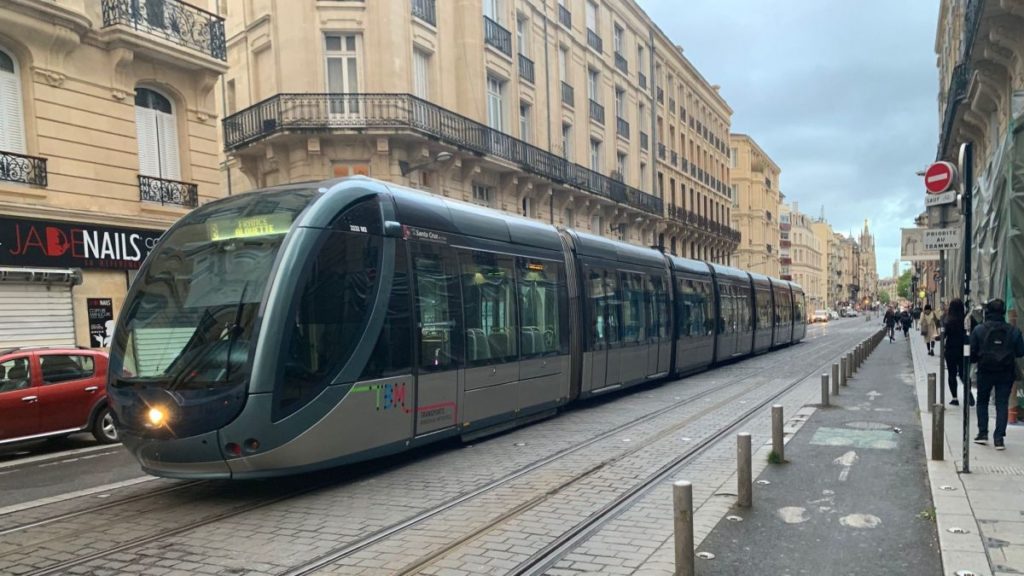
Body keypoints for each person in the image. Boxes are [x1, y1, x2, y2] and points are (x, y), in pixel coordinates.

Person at [970, 299, 1024, 450]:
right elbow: (1020, 352)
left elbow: (972, 353)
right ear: (1003, 312)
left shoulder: (979, 330)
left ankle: (982, 433)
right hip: (1006, 372)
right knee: (1001, 403)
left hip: (985, 371)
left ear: (988, 312)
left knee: (982, 401)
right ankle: (999, 438)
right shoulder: (1013, 331)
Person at [942, 298, 972, 406]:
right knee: (964, 373)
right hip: (964, 349)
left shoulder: (948, 320)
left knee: (952, 373)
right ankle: (968, 393)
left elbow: (943, 335)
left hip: (951, 349)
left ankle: (955, 398)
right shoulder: (966, 319)